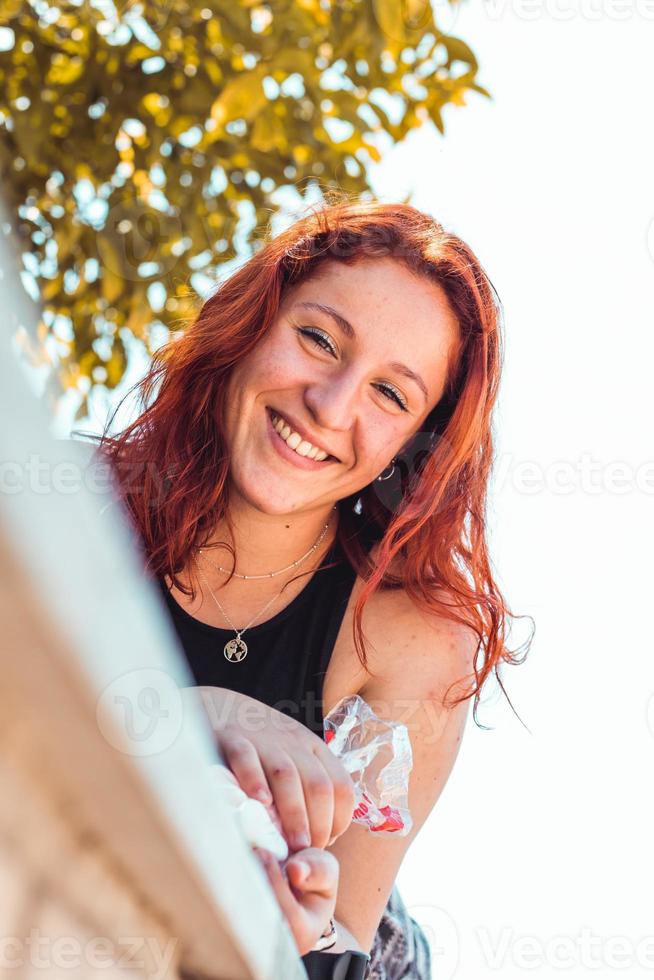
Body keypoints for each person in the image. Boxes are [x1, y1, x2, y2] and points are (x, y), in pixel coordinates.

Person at [84, 196, 531, 977]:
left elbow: (341, 941)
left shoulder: (411, 640)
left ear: (411, 447)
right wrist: (198, 718)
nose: (330, 406)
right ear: (253, 324)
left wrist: (299, 931)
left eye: (391, 394)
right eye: (319, 339)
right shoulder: (69, 501)